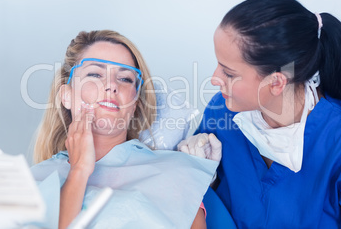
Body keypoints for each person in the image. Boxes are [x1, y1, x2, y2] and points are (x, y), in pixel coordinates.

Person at [178, 0, 341, 228]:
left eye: (229, 73)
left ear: (275, 83)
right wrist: (198, 174)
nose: (214, 79)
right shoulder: (221, 111)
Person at [31, 30, 219, 229]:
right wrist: (79, 171)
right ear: (66, 95)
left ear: (135, 103)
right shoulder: (34, 181)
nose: (111, 85)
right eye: (95, 74)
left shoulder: (176, 176)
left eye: (125, 79)